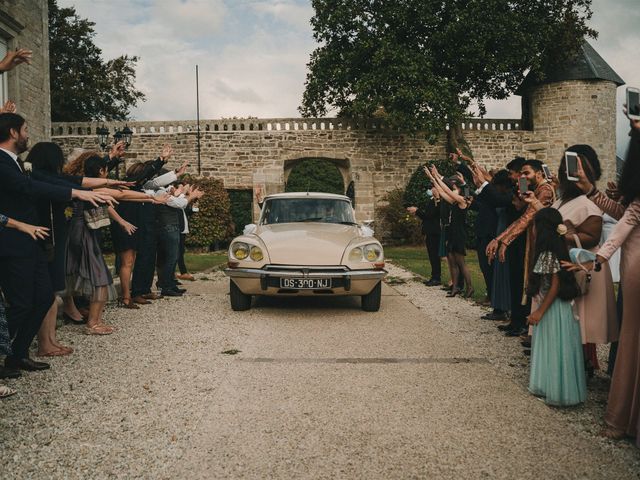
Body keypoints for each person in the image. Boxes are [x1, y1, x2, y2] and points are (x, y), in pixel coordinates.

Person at [0, 113, 115, 369]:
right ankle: (7, 356)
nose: (28, 133)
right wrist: (75, 193)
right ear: (13, 133)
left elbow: (52, 181)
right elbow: (27, 188)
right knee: (20, 304)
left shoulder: (18, 162)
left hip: (34, 241)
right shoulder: (1, 162)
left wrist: (95, 185)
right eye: (25, 129)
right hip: (11, 243)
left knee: (43, 297)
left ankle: (17, 354)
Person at [563, 109, 640, 445]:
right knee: (632, 338)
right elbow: (627, 214)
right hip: (632, 254)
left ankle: (622, 417)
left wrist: (601, 256)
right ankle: (623, 416)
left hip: (633, 256)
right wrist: (594, 191)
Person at [527, 145, 618, 374]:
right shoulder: (560, 202)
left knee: (581, 322)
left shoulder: (590, 205)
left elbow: (591, 237)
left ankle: (582, 364)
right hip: (558, 265)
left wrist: (564, 234)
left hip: (580, 266)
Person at [486, 159, 556, 337]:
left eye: (527, 173)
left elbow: (527, 218)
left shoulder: (545, 190)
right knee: (525, 284)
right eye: (522, 173)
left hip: (540, 245)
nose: (522, 177)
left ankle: (529, 329)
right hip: (530, 242)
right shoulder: (535, 190)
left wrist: (502, 240)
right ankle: (523, 325)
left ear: (539, 173)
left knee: (534, 286)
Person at [527, 208, 586, 406]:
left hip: (553, 308)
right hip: (562, 307)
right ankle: (555, 385)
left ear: (540, 227)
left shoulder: (547, 251)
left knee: (554, 346)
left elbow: (554, 285)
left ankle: (557, 389)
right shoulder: (559, 246)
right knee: (560, 347)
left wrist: (539, 311)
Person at [425, 165, 473, 298]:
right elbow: (442, 192)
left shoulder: (462, 201)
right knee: (451, 261)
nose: (452, 190)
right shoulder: (453, 201)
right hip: (451, 233)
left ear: (458, 189)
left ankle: (469, 287)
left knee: (460, 262)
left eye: (454, 188)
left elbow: (447, 190)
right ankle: (455, 287)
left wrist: (437, 177)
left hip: (459, 234)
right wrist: (433, 178)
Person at [406, 188, 442, 286]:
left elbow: (430, 215)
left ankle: (436, 277)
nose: (431, 189)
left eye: (433, 188)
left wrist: (417, 211)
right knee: (432, 255)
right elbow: (427, 216)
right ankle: (434, 276)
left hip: (434, 232)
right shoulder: (432, 200)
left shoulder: (437, 201)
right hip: (430, 231)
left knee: (434, 256)